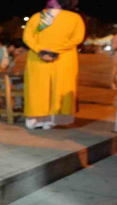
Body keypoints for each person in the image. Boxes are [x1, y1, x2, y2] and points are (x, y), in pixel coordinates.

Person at [22, 0, 85, 130]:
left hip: (38, 58)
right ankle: (53, 120)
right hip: (64, 58)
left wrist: (42, 50)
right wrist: (56, 49)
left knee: (38, 88)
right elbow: (78, 38)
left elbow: (27, 37)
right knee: (60, 88)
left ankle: (34, 119)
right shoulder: (75, 18)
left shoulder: (38, 16)